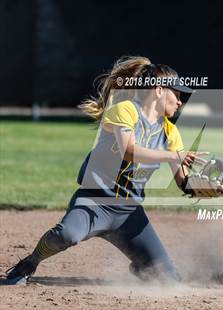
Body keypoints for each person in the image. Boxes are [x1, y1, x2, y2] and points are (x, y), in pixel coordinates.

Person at [5, 56, 207, 285]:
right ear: (159, 90)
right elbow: (129, 150)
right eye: (177, 94)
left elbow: (182, 181)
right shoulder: (125, 110)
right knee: (66, 235)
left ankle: (143, 267)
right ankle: (30, 261)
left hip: (129, 212)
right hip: (95, 202)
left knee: (168, 279)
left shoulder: (171, 132)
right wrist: (175, 155)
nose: (180, 101)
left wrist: (203, 189)